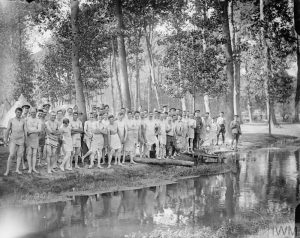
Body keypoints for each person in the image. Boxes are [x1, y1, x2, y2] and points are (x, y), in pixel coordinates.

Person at [4, 107, 27, 176]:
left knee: (20, 155)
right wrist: (5, 139)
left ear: (21, 113)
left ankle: (17, 169)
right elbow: (8, 130)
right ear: (15, 112)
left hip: (21, 139)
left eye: (20, 112)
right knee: (11, 154)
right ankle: (7, 171)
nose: (19, 114)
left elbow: (25, 130)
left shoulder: (23, 120)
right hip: (13, 139)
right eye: (18, 112)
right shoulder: (11, 120)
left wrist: (26, 140)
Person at [26, 108, 41, 174]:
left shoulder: (38, 120)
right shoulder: (27, 119)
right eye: (32, 112)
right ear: (30, 112)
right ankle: (30, 168)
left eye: (34, 112)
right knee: (29, 153)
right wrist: (34, 130)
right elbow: (26, 129)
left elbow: (39, 129)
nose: (33, 113)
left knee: (35, 154)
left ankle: (34, 168)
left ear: (36, 112)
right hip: (29, 138)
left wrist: (31, 131)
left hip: (35, 138)